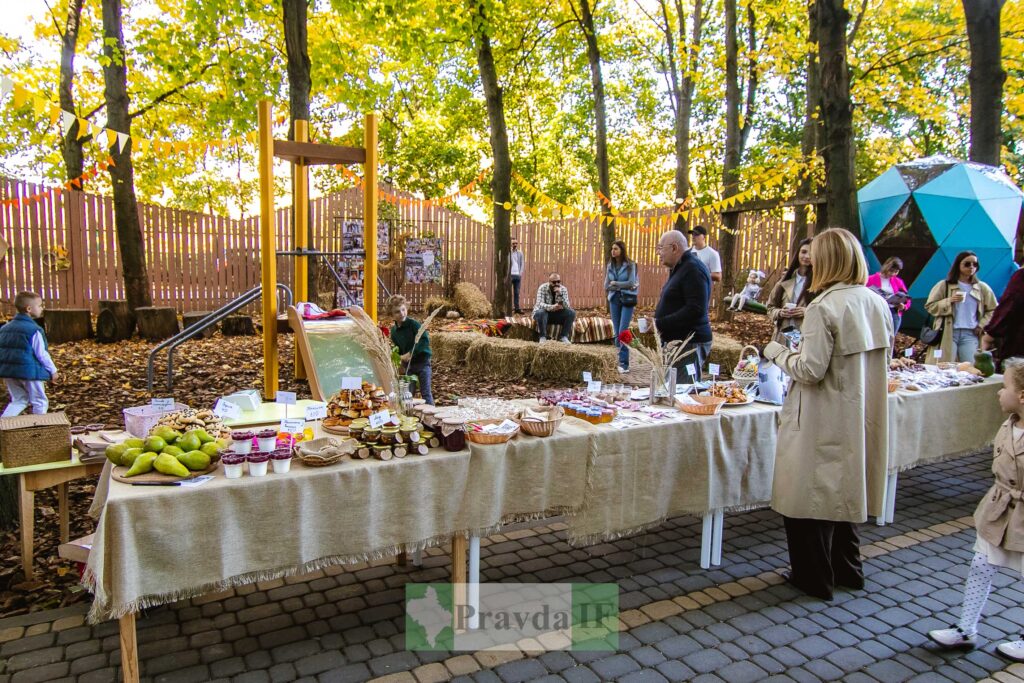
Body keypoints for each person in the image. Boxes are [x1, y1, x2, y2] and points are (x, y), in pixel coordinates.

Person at [762, 228, 893, 601]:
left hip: (821, 414)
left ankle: (813, 576)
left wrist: (774, 351)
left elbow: (809, 370)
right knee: (844, 492)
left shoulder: (823, 307)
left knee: (806, 498)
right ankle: (848, 569)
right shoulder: (875, 302)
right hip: (860, 410)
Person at [927, 359, 1024, 659]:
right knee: (981, 564)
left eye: (1005, 386)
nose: (999, 392)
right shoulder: (1010, 423)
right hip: (999, 509)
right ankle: (966, 628)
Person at [649, 230, 712, 370]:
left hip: (688, 343)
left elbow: (695, 309)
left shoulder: (693, 269)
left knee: (680, 390)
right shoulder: (680, 268)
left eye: (660, 248)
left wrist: (659, 323)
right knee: (668, 388)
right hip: (677, 342)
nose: (658, 253)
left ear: (674, 248)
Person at [924, 251, 998, 364]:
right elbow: (930, 306)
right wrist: (949, 301)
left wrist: (982, 324)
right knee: (946, 366)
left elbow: (993, 309)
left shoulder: (982, 287)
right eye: (967, 264)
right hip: (948, 332)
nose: (971, 267)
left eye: (975, 264)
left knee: (972, 367)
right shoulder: (944, 285)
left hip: (971, 333)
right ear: (958, 265)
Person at [0, 292, 57, 417]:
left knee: (19, 400)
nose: (42, 308)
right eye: (40, 305)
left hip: (9, 372)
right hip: (30, 372)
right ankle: (38, 429)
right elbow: (41, 354)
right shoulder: (33, 330)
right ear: (29, 309)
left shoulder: (4, 328)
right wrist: (52, 370)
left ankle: (3, 427)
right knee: (40, 401)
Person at [386, 295, 434, 405]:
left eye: (403, 310)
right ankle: (410, 415)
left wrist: (411, 352)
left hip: (422, 362)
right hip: (409, 365)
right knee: (408, 392)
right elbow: (397, 348)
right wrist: (399, 360)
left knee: (425, 392)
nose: (402, 313)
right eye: (397, 312)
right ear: (391, 314)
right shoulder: (394, 331)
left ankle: (432, 416)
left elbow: (424, 341)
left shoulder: (414, 324)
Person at [766, 238, 814, 345]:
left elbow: (825, 312)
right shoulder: (785, 280)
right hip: (783, 335)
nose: (806, 256)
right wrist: (780, 313)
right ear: (798, 253)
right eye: (804, 252)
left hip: (806, 337)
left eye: (811, 253)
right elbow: (770, 307)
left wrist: (806, 311)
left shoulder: (819, 284)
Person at [605, 240, 639, 374]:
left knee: (623, 330)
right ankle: (618, 359)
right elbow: (606, 285)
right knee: (616, 331)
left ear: (622, 250)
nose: (613, 251)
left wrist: (616, 283)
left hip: (627, 299)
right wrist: (619, 285)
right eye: (612, 249)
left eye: (616, 249)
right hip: (614, 299)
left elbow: (632, 282)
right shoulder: (610, 265)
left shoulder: (631, 265)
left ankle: (625, 363)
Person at [982, 266, 1024, 371]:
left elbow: (1010, 305)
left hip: (1019, 345)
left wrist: (991, 334)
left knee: (1014, 383)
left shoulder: (1021, 277)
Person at [866, 256, 911, 336]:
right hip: (876, 312)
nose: (893, 274)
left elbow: (907, 298)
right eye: (891, 271)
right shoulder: (870, 279)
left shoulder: (898, 282)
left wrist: (904, 306)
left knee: (891, 338)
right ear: (886, 267)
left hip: (893, 312)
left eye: (896, 272)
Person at [532, 273, 575, 343]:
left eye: (558, 281)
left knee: (571, 313)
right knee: (541, 312)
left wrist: (560, 294)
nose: (556, 284)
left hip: (556, 315)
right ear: (549, 281)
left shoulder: (563, 289)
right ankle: (543, 337)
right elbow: (539, 304)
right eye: (554, 282)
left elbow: (567, 306)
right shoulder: (542, 288)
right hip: (543, 315)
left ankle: (564, 337)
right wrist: (552, 307)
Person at [510, 238, 525, 314]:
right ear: (510, 244)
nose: (515, 245)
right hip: (510, 275)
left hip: (517, 275)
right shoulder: (508, 253)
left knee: (517, 292)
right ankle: (508, 308)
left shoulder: (520, 253)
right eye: (513, 243)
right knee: (508, 293)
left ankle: (517, 309)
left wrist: (520, 273)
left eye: (516, 243)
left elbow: (522, 263)